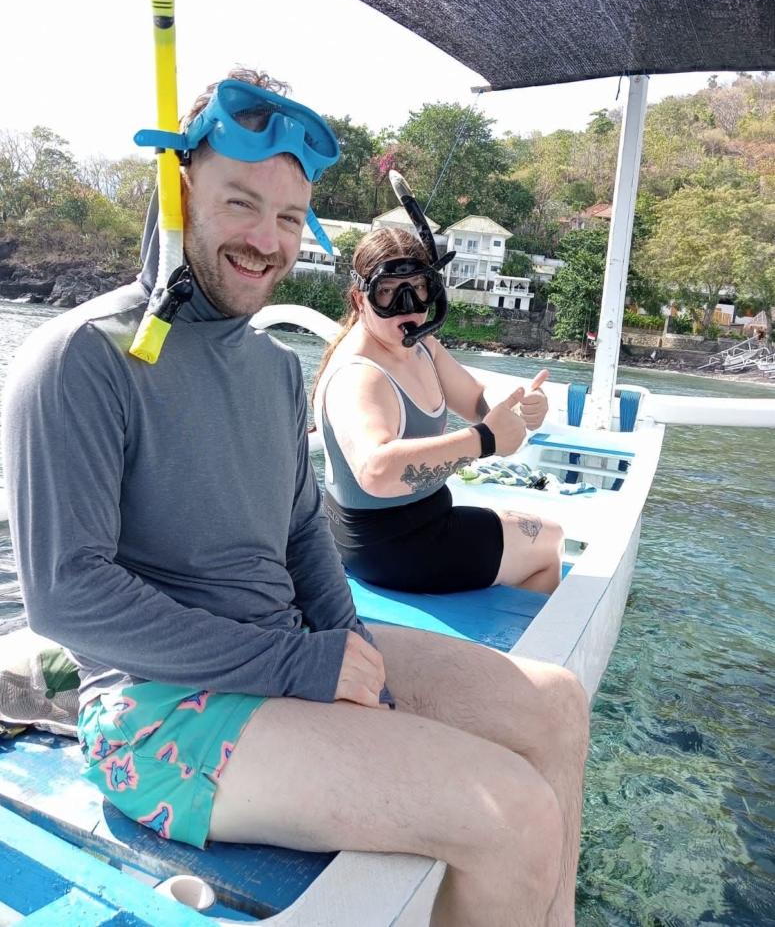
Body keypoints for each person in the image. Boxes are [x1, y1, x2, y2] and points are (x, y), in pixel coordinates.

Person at [2, 67, 588, 927]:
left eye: (286, 217)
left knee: (557, 704)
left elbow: (303, 533)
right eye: (240, 204)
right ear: (176, 193)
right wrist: (297, 667)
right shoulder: (81, 357)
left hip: (284, 647)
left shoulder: (274, 368)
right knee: (512, 815)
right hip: (157, 714)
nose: (265, 240)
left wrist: (350, 647)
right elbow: (66, 596)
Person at [313, 227, 565, 596]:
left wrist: (518, 402)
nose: (407, 306)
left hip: (413, 525)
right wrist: (484, 440)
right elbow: (376, 471)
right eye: (388, 292)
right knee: (551, 541)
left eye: (418, 288)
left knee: (534, 536)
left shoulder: (420, 346)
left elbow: (475, 397)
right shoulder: (359, 375)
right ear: (359, 299)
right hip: (391, 545)